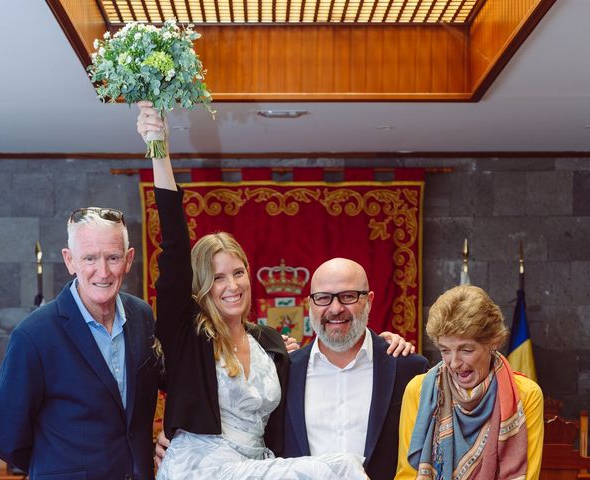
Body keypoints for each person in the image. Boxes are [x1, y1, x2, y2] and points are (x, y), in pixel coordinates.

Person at [138, 101, 418, 479]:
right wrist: (159, 147)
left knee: (344, 466)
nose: (232, 285)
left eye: (238, 273)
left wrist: (387, 342)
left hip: (255, 463)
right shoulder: (188, 334)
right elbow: (173, 247)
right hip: (203, 467)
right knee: (342, 469)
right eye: (218, 277)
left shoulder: (268, 344)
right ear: (202, 285)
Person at [0, 207, 160, 479]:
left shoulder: (142, 316)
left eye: (113, 257)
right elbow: (2, 435)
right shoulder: (33, 335)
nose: (102, 272)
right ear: (69, 260)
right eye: (89, 258)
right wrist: (55, 465)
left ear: (128, 259)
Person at [283, 257, 430, 480]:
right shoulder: (284, 372)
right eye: (323, 298)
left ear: (369, 300)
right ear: (310, 304)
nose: (335, 308)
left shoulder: (408, 369)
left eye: (348, 296)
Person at [395, 285, 544, 479]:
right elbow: (407, 475)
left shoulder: (527, 394)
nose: (455, 363)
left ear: (493, 342)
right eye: (445, 350)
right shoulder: (418, 390)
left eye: (466, 350)